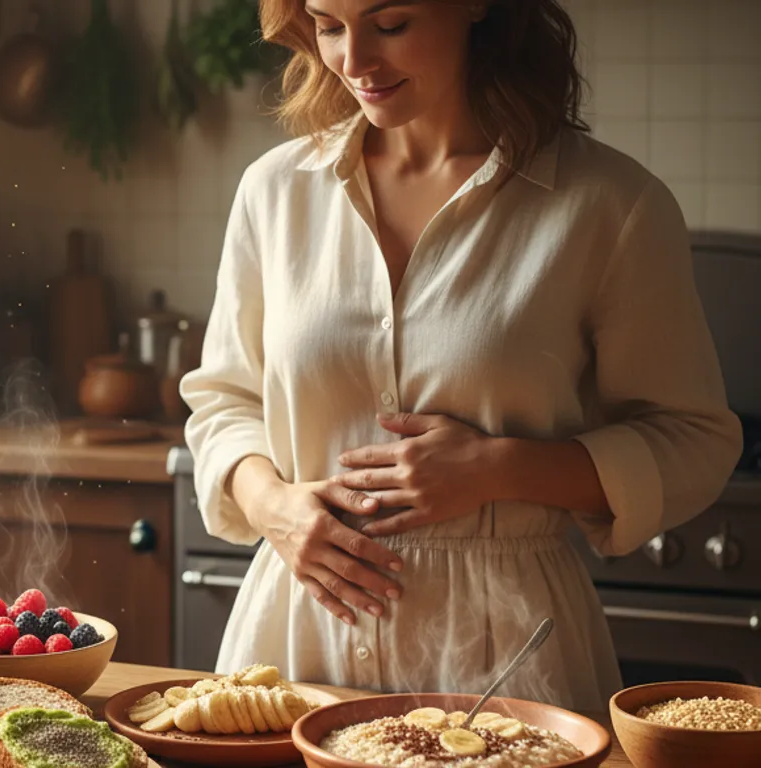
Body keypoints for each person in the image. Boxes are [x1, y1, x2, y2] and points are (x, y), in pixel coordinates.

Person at [178, 0, 742, 712]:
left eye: (391, 24)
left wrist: (499, 467)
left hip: (504, 660)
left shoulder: (609, 205)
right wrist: (274, 506)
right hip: (295, 646)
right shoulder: (274, 191)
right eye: (327, 25)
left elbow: (694, 439)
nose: (354, 61)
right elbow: (223, 400)